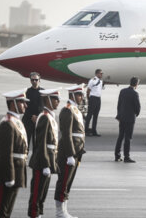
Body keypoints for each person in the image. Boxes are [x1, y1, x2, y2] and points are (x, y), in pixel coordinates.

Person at [0, 89, 29, 218]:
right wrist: (10, 176)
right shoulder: (7, 124)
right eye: (22, 102)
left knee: (7, 211)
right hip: (6, 174)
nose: (25, 105)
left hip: (16, 171)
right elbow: (5, 154)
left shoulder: (15, 121)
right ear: (13, 103)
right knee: (0, 210)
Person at [28, 88, 61, 218]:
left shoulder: (49, 117)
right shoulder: (44, 117)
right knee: (36, 193)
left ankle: (39, 214)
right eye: (55, 99)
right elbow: (41, 143)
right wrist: (46, 164)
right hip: (41, 162)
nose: (58, 101)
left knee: (42, 193)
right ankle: (34, 215)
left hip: (48, 160)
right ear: (48, 100)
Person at [54, 84, 86, 218]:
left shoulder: (75, 110)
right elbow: (66, 134)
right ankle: (59, 211)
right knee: (63, 181)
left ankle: (64, 210)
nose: (81, 97)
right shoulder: (67, 110)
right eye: (79, 94)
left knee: (68, 182)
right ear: (72, 95)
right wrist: (69, 154)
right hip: (69, 152)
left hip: (76, 151)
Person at [115, 77, 141, 163]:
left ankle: (117, 155)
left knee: (120, 136)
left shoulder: (122, 91)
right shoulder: (135, 93)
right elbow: (138, 107)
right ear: (136, 84)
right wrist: (136, 114)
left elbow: (119, 104)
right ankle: (126, 156)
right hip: (130, 118)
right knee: (128, 138)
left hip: (122, 117)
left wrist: (119, 115)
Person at [22, 72, 44, 152]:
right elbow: (24, 107)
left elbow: (44, 107)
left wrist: (38, 117)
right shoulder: (27, 92)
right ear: (30, 81)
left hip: (39, 121)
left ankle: (35, 163)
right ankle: (24, 161)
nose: (34, 81)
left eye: (36, 80)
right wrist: (32, 116)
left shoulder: (44, 92)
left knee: (37, 144)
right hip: (28, 120)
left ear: (39, 80)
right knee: (26, 143)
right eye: (32, 80)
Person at [85, 69, 104, 137]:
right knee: (89, 115)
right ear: (97, 74)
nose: (101, 75)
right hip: (92, 98)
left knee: (96, 115)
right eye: (100, 73)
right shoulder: (92, 80)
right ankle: (86, 130)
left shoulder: (101, 81)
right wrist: (89, 99)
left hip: (98, 99)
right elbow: (88, 90)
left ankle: (94, 131)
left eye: (102, 74)